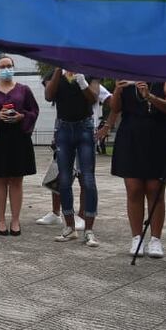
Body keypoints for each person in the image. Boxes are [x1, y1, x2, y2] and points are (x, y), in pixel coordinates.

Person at [103, 80, 166, 258]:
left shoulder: (164, 77)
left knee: (155, 190)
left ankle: (155, 239)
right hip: (131, 135)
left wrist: (150, 97)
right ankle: (136, 237)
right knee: (134, 189)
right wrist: (118, 88)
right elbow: (115, 107)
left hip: (158, 134)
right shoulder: (127, 78)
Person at [0, 57, 38, 235]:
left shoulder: (24, 90)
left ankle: (16, 220)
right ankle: (1, 220)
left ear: (14, 68)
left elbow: (34, 111)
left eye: (9, 66)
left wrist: (22, 116)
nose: (6, 69)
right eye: (2, 67)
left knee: (17, 180)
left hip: (18, 139)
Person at [44, 67, 101, 246]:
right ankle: (69, 227)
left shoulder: (90, 71)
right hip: (63, 128)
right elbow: (48, 95)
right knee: (65, 179)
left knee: (88, 179)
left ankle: (89, 230)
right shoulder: (56, 73)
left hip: (85, 127)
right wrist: (57, 71)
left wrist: (82, 82)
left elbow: (93, 98)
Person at [94, 82, 112, 155]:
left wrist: (107, 126)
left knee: (86, 165)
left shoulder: (92, 83)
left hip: (88, 129)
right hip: (64, 126)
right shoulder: (61, 79)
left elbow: (113, 103)